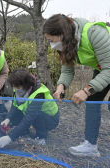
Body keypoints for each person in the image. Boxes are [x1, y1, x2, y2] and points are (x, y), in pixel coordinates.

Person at [43, 14, 110, 157]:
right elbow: (67, 69)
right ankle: (90, 145)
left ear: (62, 34)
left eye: (51, 40)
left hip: (108, 68)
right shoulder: (69, 43)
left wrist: (86, 90)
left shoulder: (95, 34)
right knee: (92, 103)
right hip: (102, 68)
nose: (51, 44)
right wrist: (61, 85)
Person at [0, 68, 59, 148]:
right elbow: (15, 106)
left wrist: (10, 137)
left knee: (37, 116)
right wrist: (8, 119)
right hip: (33, 114)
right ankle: (24, 131)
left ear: (26, 84)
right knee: (15, 116)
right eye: (14, 86)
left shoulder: (39, 94)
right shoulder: (19, 90)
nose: (14, 88)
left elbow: (29, 118)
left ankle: (41, 137)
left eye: (17, 86)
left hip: (50, 119)